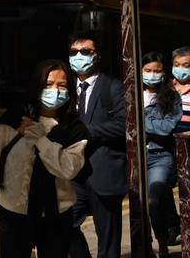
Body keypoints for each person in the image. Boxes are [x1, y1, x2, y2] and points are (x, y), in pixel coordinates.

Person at [0, 58, 89, 258]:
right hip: (14, 211)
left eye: (62, 85)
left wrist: (40, 139)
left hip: (56, 214)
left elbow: (69, 168)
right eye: (48, 84)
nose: (56, 91)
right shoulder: (13, 119)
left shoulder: (74, 128)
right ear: (37, 86)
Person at [67, 31, 127, 258]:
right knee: (65, 223)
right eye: (74, 52)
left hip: (104, 173)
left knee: (108, 240)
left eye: (86, 51)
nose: (79, 56)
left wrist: (87, 132)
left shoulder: (113, 87)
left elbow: (123, 126)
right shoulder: (66, 89)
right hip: (73, 175)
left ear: (97, 55)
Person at [141, 52, 183, 257]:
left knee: (153, 200)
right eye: (148, 70)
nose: (152, 74)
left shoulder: (171, 97)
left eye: (157, 71)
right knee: (137, 204)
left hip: (160, 156)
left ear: (163, 73)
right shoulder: (129, 94)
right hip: (135, 157)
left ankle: (162, 242)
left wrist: (139, 122)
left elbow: (167, 127)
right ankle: (145, 244)